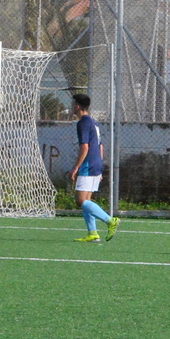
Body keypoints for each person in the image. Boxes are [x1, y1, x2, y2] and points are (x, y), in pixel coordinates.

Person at [68, 93, 119, 243]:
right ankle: (92, 233)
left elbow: (85, 147)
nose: (71, 107)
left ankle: (110, 220)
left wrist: (75, 167)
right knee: (87, 200)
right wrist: (100, 166)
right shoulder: (93, 123)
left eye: (72, 105)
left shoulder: (83, 123)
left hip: (88, 165)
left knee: (80, 200)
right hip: (96, 163)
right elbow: (100, 146)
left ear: (77, 106)